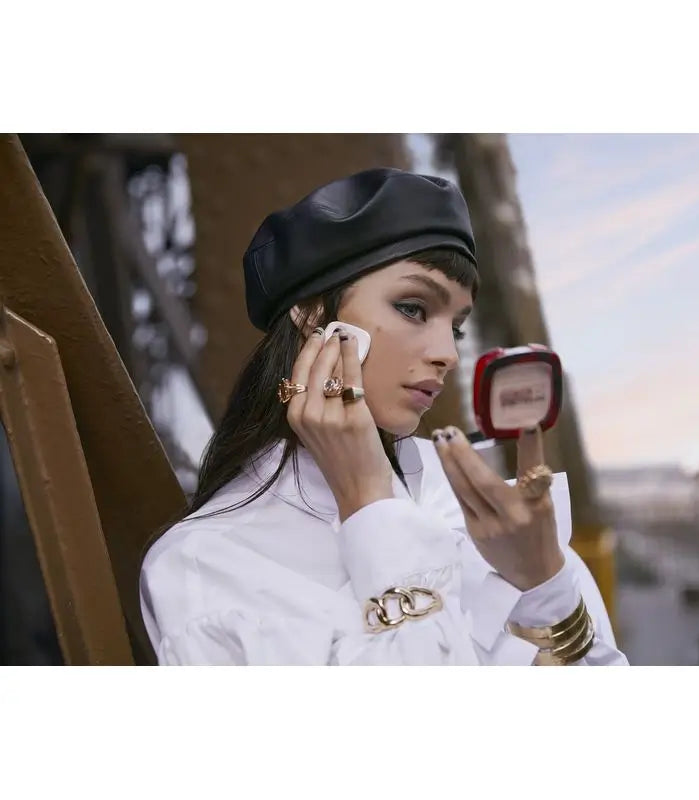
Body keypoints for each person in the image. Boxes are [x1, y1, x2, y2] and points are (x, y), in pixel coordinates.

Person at [139, 167, 628, 666]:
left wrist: (546, 583)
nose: (447, 354)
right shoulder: (203, 565)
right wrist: (370, 504)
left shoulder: (476, 505)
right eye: (413, 308)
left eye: (456, 328)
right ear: (312, 314)